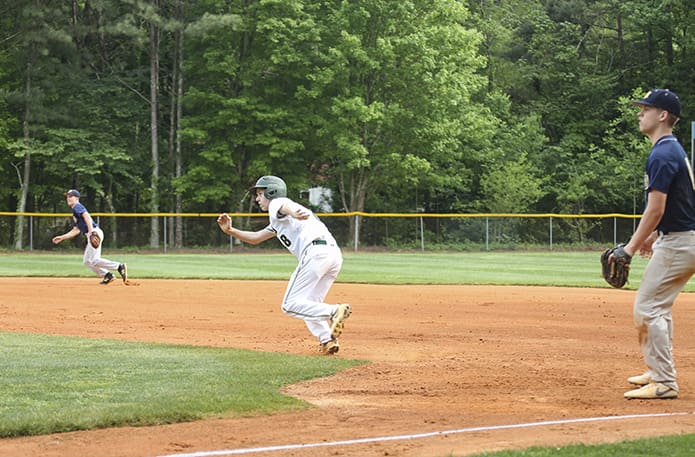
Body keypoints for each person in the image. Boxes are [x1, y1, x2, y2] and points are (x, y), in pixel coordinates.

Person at [216, 175, 351, 355]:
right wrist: (230, 231)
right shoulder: (278, 221)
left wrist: (292, 212)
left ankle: (335, 311)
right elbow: (256, 238)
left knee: (289, 304)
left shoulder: (277, 203)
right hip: (333, 255)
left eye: (260, 194)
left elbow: (283, 206)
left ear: (272, 192)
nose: (257, 199)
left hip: (315, 253)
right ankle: (327, 340)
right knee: (308, 304)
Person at [621, 89, 695, 399]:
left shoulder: (662, 153)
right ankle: (657, 370)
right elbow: (681, 202)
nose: (640, 113)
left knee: (648, 307)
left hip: (680, 242)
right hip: (680, 238)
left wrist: (628, 247)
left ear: (662, 115)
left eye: (646, 108)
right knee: (658, 307)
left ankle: (664, 381)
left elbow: (656, 208)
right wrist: (652, 236)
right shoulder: (671, 150)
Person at [52, 189, 128, 285]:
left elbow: (86, 216)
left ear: (77, 198)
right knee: (87, 261)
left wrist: (91, 231)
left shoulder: (77, 206)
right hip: (93, 233)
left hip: (94, 232)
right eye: (67, 196)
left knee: (95, 260)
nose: (68, 198)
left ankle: (119, 266)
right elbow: (77, 230)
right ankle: (108, 275)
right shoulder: (75, 211)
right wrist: (62, 237)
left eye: (71, 196)